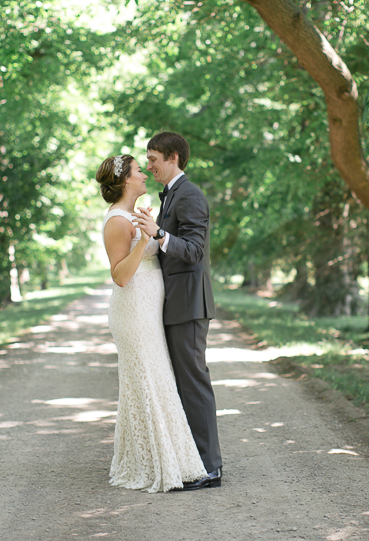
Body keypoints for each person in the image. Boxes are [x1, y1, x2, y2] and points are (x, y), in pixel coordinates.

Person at [96, 154, 207, 493]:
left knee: (156, 381)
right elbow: (120, 276)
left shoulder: (137, 214)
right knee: (148, 382)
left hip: (149, 312)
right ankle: (156, 464)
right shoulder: (117, 221)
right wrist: (144, 238)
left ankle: (162, 458)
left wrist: (151, 229)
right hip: (133, 312)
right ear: (126, 180)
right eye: (138, 170)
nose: (145, 174)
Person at [134, 131, 223, 491]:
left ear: (173, 157)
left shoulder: (190, 195)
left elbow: (195, 251)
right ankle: (193, 461)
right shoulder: (172, 196)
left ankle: (210, 468)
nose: (149, 165)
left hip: (188, 304)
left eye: (153, 158)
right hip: (177, 304)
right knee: (184, 384)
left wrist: (159, 235)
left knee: (194, 383)